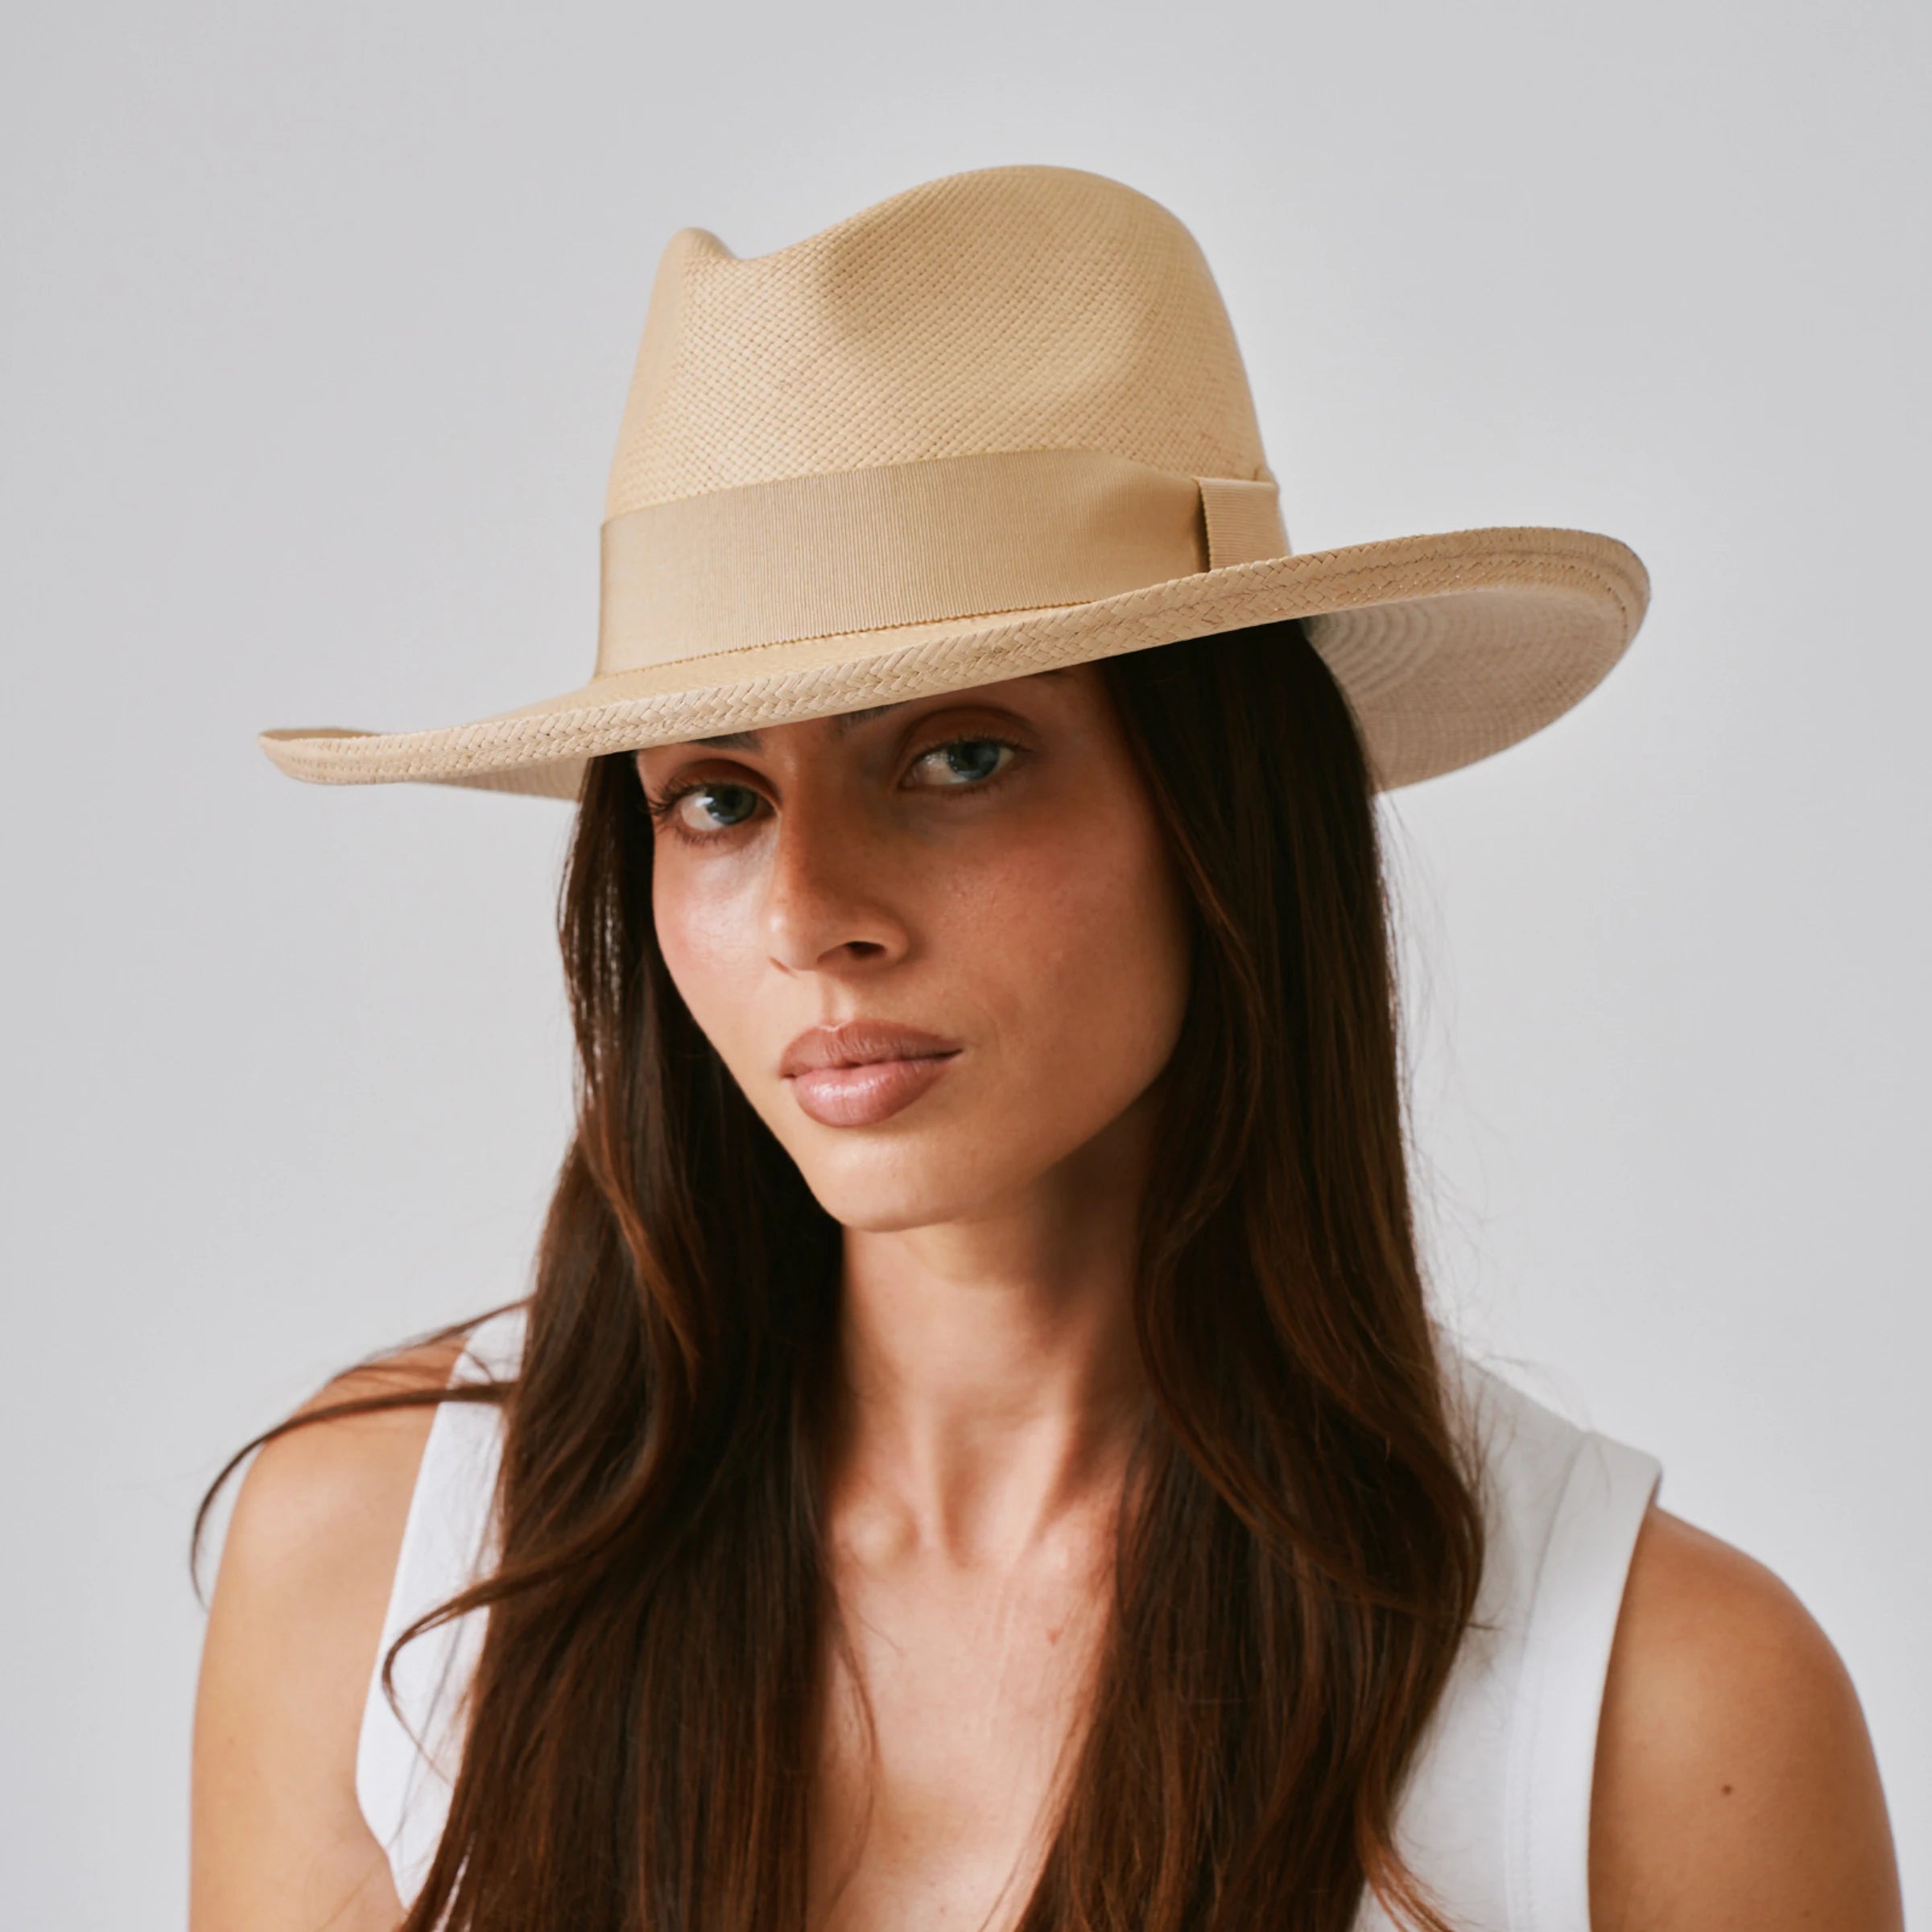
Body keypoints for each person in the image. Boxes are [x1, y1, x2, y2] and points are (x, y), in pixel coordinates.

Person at [189, 165, 1902, 1932]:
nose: (809, 913)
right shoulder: (380, 1564)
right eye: (717, 797)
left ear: (1224, 811)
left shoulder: (1663, 1723)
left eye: (958, 756)